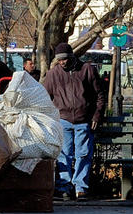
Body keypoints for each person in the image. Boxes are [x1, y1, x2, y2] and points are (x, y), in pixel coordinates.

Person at [42, 43, 107, 200]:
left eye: (64, 59)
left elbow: (100, 95)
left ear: (72, 57)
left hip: (84, 120)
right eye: (59, 60)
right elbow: (44, 97)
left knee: (83, 155)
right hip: (63, 120)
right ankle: (64, 187)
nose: (62, 62)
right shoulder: (53, 74)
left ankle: (80, 188)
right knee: (64, 156)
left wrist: (97, 116)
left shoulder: (87, 70)